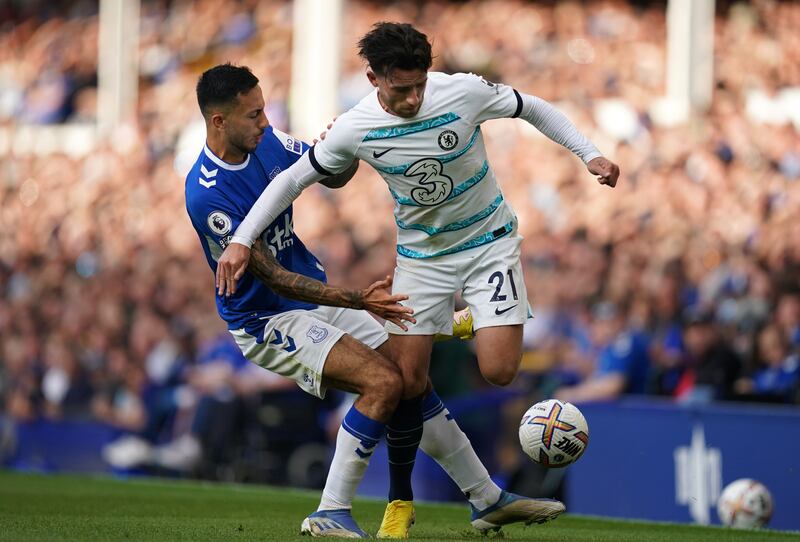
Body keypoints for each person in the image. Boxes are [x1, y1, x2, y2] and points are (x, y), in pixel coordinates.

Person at [216, 22, 618, 537]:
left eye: (418, 85)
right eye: (400, 88)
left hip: (489, 242)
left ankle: (462, 324)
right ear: (373, 79)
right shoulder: (355, 126)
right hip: (422, 260)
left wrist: (589, 153)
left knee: (499, 371)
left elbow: (533, 106)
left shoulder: (462, 91)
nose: (411, 98)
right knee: (404, 382)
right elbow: (294, 180)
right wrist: (241, 240)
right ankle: (401, 503)